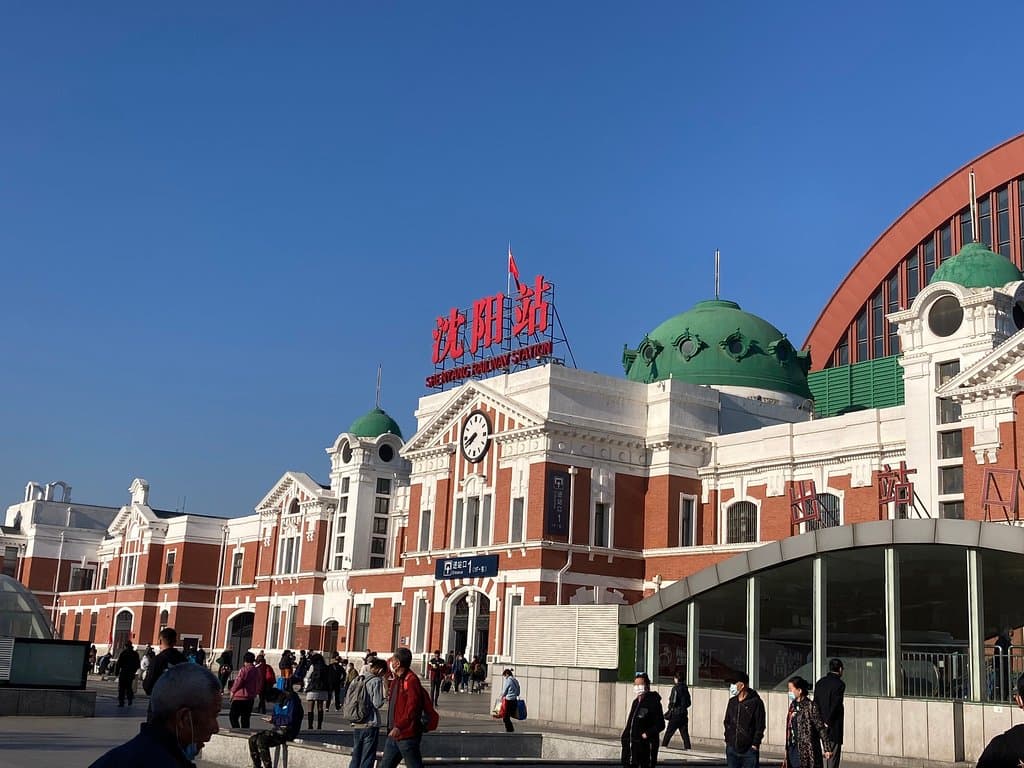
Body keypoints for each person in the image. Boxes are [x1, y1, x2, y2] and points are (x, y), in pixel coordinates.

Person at [88, 662, 222, 768]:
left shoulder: (117, 757)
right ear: (184, 718)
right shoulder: (164, 763)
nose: (215, 728)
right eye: (214, 716)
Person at [379, 647, 426, 768]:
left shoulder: (411, 680)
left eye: (392, 660)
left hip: (406, 734)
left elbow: (412, 708)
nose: (390, 662)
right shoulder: (397, 679)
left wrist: (399, 726)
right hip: (394, 733)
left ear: (398, 663)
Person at [785, 676, 835, 768]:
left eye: (791, 689)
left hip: (807, 751)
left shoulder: (811, 706)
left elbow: (820, 728)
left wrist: (827, 748)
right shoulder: (793, 706)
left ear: (799, 690)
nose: (789, 692)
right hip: (793, 748)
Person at [248, 685, 303, 768]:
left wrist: (274, 719)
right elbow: (275, 716)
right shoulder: (277, 704)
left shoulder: (292, 701)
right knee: (252, 739)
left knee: (262, 741)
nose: (276, 703)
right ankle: (257, 765)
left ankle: (268, 766)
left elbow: (290, 719)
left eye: (275, 701)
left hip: (289, 731)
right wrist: (272, 720)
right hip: (277, 730)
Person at [350, 658, 388, 768]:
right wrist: (385, 697)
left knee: (356, 755)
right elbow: (377, 703)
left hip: (357, 721)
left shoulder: (358, 679)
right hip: (370, 722)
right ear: (380, 670)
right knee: (367, 756)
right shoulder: (376, 681)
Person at [621, 672, 663, 768]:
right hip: (631, 749)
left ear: (647, 686)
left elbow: (660, 724)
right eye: (635, 685)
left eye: (640, 684)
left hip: (646, 748)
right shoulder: (636, 702)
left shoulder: (653, 702)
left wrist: (647, 734)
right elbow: (631, 722)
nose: (637, 687)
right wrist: (625, 736)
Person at [723, 672, 765, 768]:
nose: (731, 686)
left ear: (742, 685)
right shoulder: (732, 702)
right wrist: (728, 739)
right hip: (732, 749)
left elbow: (760, 725)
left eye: (734, 683)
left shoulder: (756, 702)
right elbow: (727, 721)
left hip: (749, 751)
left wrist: (755, 744)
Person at [814, 659, 846, 768]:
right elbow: (836, 705)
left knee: (819, 756)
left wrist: (818, 721)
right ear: (840, 669)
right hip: (833, 726)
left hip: (819, 724)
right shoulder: (839, 684)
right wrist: (828, 722)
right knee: (832, 757)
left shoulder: (820, 683)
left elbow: (816, 703)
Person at [143, 627, 189, 696]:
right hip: (179, 698)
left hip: (161, 697)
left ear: (160, 641)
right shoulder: (183, 660)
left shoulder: (157, 659)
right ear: (175, 642)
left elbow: (148, 685)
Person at [230, 651, 263, 728]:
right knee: (245, 718)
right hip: (250, 697)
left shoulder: (244, 670)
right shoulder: (257, 670)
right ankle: (245, 732)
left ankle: (237, 730)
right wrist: (256, 692)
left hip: (240, 696)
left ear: (245, 660)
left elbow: (238, 682)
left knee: (233, 716)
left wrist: (232, 691)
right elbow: (259, 682)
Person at [662, 668, 691, 750]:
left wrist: (670, 708)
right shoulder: (685, 688)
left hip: (675, 714)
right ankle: (688, 749)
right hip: (683, 714)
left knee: (668, 733)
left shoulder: (675, 688)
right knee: (685, 734)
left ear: (677, 678)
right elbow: (689, 703)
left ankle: (663, 748)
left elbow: (673, 701)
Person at [305, 652, 331, 730]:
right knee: (320, 707)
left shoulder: (313, 666)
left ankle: (310, 725)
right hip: (323, 689)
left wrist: (306, 686)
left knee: (310, 708)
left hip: (312, 688)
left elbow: (307, 677)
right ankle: (319, 726)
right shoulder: (326, 667)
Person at [115, 642, 142, 707]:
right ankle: (130, 700)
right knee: (129, 687)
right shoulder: (135, 654)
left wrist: (116, 672)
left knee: (122, 688)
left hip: (124, 672)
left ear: (126, 646)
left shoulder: (124, 653)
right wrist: (134, 671)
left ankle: (121, 702)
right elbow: (138, 664)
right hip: (131, 673)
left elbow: (119, 663)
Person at [498, 668, 521, 733]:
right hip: (514, 700)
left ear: (507, 674)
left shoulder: (508, 680)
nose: (505, 677)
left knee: (505, 717)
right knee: (508, 716)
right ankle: (510, 729)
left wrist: (500, 697)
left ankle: (510, 730)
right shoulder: (515, 680)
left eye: (505, 676)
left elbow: (504, 691)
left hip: (508, 700)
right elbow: (518, 691)